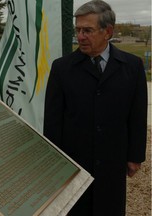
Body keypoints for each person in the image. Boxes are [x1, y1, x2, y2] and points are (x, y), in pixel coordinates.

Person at [43, 0, 147, 215]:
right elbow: (52, 121)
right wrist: (53, 164)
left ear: (107, 31)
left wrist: (135, 155)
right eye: (78, 30)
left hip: (113, 159)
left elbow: (137, 114)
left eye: (87, 30)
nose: (80, 36)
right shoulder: (62, 68)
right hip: (74, 162)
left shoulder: (132, 66)